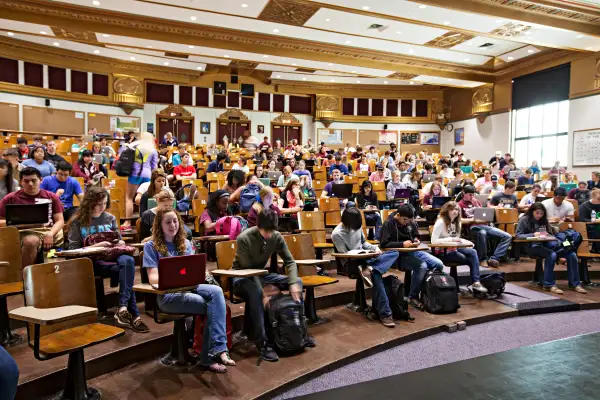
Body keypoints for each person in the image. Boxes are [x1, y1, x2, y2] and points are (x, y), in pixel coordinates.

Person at [143, 207, 233, 372]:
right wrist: (175, 277)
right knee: (211, 307)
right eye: (168, 222)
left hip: (191, 287)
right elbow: (153, 278)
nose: (173, 225)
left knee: (217, 292)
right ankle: (210, 356)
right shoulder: (151, 246)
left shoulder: (185, 243)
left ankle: (219, 347)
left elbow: (194, 272)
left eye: (175, 221)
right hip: (169, 295)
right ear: (159, 225)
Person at [67, 186, 149, 332]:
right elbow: (73, 250)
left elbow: (120, 240)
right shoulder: (77, 221)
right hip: (92, 261)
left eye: (104, 203)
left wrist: (119, 242)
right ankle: (135, 315)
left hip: (113, 256)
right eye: (98, 204)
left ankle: (123, 306)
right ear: (89, 203)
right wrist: (97, 245)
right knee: (126, 272)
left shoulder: (109, 218)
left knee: (128, 261)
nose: (102, 207)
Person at [230, 209, 305, 362]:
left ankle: (299, 331)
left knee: (298, 281)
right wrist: (263, 293)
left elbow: (290, 262)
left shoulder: (275, 236)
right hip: (240, 277)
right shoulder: (244, 238)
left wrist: (293, 283)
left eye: (272, 230)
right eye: (266, 231)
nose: (269, 234)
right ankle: (262, 342)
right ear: (258, 226)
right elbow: (248, 269)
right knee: (256, 293)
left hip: (261, 275)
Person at [331, 208, 399, 327]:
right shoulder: (336, 234)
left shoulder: (357, 226)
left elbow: (364, 243)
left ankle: (371, 269)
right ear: (347, 221)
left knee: (394, 253)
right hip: (352, 263)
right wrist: (359, 253)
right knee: (376, 277)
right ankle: (385, 314)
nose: (356, 228)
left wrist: (374, 248)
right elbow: (343, 255)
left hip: (366, 259)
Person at [380, 204, 444, 310]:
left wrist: (416, 240)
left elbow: (415, 235)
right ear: (398, 215)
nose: (407, 222)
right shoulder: (388, 224)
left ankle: (427, 291)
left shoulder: (410, 221)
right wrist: (402, 244)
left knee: (438, 264)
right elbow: (384, 244)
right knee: (422, 266)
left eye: (409, 220)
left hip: (413, 251)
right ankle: (412, 296)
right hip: (398, 255)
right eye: (405, 220)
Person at [0, 167, 64, 268]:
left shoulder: (51, 197)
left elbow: (60, 220)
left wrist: (51, 234)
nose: (30, 184)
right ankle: (25, 278)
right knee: (31, 241)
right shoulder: (10, 198)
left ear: (41, 180)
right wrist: (18, 223)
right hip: (19, 232)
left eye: (34, 180)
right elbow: (1, 221)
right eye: (26, 181)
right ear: (21, 182)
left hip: (47, 231)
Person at [516, 203, 586, 294]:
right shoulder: (524, 219)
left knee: (571, 255)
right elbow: (518, 235)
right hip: (532, 246)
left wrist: (549, 235)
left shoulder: (544, 220)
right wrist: (533, 234)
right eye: (537, 213)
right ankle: (549, 285)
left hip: (548, 245)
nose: (539, 215)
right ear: (532, 211)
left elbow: (550, 233)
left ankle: (575, 284)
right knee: (551, 254)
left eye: (541, 213)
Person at [430, 202, 488, 293]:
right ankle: (474, 278)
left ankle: (476, 282)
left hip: (454, 248)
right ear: (446, 210)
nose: (455, 211)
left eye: (457, 209)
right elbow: (433, 241)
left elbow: (457, 239)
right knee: (470, 259)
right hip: (442, 251)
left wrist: (467, 243)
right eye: (452, 209)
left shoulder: (458, 222)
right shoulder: (441, 222)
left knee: (472, 252)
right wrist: (451, 240)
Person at [458, 185, 511, 268]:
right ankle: (483, 259)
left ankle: (494, 258)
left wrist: (486, 218)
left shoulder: (477, 202)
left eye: (473, 195)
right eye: (470, 195)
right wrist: (474, 220)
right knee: (482, 232)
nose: (472, 197)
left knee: (507, 236)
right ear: (464, 193)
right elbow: (459, 220)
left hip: (484, 225)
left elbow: (483, 215)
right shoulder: (459, 204)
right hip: (472, 228)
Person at [122, 132, 158, 231]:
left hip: (135, 174)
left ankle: (127, 222)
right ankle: (147, 221)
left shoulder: (135, 146)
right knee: (146, 198)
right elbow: (154, 167)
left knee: (129, 198)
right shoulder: (153, 149)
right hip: (148, 175)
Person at [580, 188, 600, 254]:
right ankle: (596, 250)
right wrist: (594, 220)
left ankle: (596, 249)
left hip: (597, 226)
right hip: (588, 227)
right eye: (599, 199)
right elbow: (582, 219)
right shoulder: (585, 206)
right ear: (593, 197)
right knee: (597, 232)